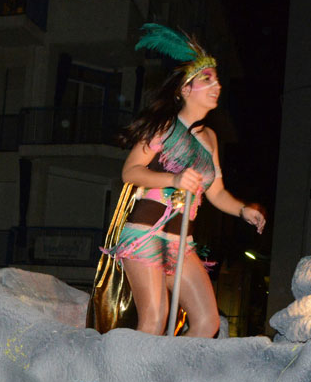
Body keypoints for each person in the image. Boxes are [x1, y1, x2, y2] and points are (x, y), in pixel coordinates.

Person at [105, 24, 266, 337]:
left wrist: (242, 210)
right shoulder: (163, 127)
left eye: (217, 79)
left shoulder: (210, 139)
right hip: (146, 232)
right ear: (184, 89)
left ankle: (166, 378)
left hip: (182, 242)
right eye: (207, 79)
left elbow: (216, 191)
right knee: (154, 319)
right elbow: (131, 172)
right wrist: (174, 177)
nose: (216, 84)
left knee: (208, 321)